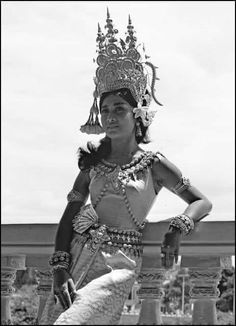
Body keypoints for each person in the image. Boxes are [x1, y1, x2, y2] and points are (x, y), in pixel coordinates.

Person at [39, 9, 212, 325]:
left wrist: (177, 229)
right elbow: (69, 217)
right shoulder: (92, 165)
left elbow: (202, 201)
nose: (110, 116)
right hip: (77, 257)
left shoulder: (153, 164)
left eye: (119, 108)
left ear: (137, 114)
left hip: (119, 265)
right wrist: (60, 267)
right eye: (105, 110)